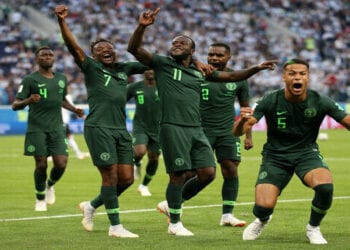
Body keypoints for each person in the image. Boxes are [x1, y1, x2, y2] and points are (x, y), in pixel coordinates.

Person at [127, 8, 277, 236]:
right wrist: (143, 26)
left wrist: (256, 68)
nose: (176, 45)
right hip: (172, 127)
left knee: (208, 172)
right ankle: (175, 223)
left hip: (196, 129)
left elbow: (233, 77)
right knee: (178, 175)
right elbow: (134, 49)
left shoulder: (201, 73)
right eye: (174, 43)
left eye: (182, 43)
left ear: (192, 50)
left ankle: (197, 209)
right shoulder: (163, 65)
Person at [55, 5, 149, 238]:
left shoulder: (123, 69)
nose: (106, 51)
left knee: (126, 179)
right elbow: (73, 47)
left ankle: (91, 205)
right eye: (100, 49)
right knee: (110, 176)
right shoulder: (91, 67)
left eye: (109, 48)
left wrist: (141, 28)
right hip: (98, 128)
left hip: (120, 129)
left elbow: (153, 61)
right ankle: (115, 227)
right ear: (94, 55)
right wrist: (62, 22)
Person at [232, 58, 350, 244]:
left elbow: (347, 121)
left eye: (302, 74)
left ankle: (313, 227)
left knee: (325, 186)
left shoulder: (320, 101)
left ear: (308, 78)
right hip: (275, 157)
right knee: (263, 207)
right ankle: (262, 219)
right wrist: (242, 122)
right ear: (284, 77)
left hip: (306, 153)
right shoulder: (270, 100)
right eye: (292, 73)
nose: (298, 77)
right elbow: (237, 131)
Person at [12, 46, 85, 212]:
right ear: (37, 59)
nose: (47, 56)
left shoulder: (61, 78)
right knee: (41, 165)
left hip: (57, 128)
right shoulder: (30, 80)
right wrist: (28, 100)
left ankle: (49, 185)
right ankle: (40, 199)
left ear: (54, 59)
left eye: (50, 54)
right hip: (37, 128)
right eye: (43, 54)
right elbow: (15, 105)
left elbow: (61, 99)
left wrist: (74, 109)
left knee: (61, 163)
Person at [200, 42, 253, 227]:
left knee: (231, 168)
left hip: (227, 132)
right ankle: (174, 207)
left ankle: (227, 215)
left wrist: (248, 135)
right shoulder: (198, 74)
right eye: (211, 54)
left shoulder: (238, 79)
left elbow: (246, 109)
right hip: (201, 131)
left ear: (228, 57)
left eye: (219, 55)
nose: (214, 58)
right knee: (196, 172)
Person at [127, 69, 161, 196]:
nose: (150, 72)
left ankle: (144, 185)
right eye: (147, 69)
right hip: (140, 126)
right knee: (139, 151)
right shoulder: (135, 87)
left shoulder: (164, 85)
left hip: (158, 128)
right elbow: (119, 100)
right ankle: (137, 163)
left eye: (153, 69)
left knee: (154, 157)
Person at [62, 86, 90, 160]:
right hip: (62, 120)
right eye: (68, 88)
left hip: (62, 120)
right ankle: (78, 154)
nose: (70, 89)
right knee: (69, 137)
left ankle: (78, 153)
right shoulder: (67, 97)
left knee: (67, 137)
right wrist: (83, 115)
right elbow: (72, 107)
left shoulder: (60, 95)